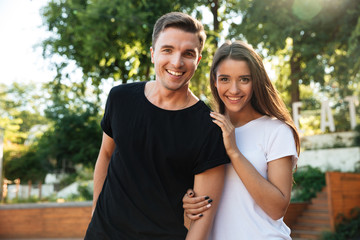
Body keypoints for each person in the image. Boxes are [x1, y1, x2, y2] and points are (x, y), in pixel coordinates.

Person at [84, 12, 230, 240]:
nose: (177, 62)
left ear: (198, 60)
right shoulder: (120, 98)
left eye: (188, 54)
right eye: (168, 50)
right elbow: (105, 155)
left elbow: (202, 219)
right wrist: (96, 212)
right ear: (153, 54)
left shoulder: (209, 126)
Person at [183, 40, 300, 239]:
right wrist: (188, 204)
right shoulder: (204, 132)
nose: (234, 89)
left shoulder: (276, 131)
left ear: (256, 81)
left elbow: (277, 209)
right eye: (225, 79)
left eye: (244, 79)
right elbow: (191, 222)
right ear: (215, 81)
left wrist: (234, 152)